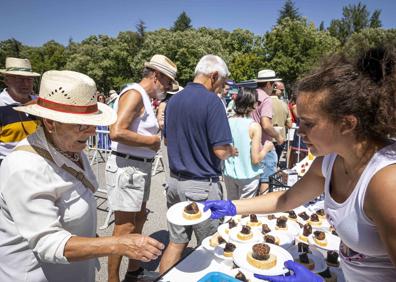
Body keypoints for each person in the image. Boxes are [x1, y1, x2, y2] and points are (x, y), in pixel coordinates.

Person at [204, 45, 396, 281]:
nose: (299, 131)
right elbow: (285, 199)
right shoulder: (328, 162)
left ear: (347, 124)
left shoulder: (387, 183)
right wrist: (232, 206)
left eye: (309, 124)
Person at [0, 70, 164, 282]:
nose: (93, 132)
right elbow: (48, 243)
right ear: (50, 123)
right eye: (82, 124)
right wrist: (119, 243)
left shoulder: (70, 148)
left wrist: (89, 238)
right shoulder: (24, 167)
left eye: (93, 122)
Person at [159, 54, 238, 274]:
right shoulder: (212, 102)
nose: (221, 89)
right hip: (201, 186)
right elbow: (221, 150)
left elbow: (167, 139)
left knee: (176, 243)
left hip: (174, 183)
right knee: (211, 247)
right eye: (221, 83)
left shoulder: (173, 100)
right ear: (213, 76)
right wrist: (232, 150)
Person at [105, 54, 176, 282]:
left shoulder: (142, 96)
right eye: (166, 82)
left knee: (138, 220)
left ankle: (133, 272)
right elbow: (116, 131)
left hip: (137, 167)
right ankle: (113, 278)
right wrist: (152, 142)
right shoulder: (135, 94)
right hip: (128, 167)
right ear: (156, 76)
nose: (167, 87)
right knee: (123, 229)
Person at [223, 87, 274, 200]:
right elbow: (255, 159)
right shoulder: (254, 126)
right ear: (254, 104)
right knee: (244, 213)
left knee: (232, 208)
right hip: (248, 175)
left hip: (229, 173)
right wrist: (266, 148)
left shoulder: (227, 121)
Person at [0, 57, 40, 166]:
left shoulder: (40, 104)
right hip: (8, 171)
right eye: (19, 78)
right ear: (6, 80)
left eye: (29, 79)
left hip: (41, 168)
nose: (26, 84)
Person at [251, 70, 285, 194]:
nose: (274, 87)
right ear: (268, 84)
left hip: (251, 145)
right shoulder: (266, 99)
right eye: (274, 84)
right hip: (264, 145)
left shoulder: (251, 95)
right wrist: (278, 136)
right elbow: (265, 124)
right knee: (266, 180)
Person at [156, 82, 183, 187]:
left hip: (177, 137)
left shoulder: (176, 104)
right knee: (168, 162)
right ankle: (170, 184)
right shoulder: (163, 104)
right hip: (167, 137)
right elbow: (161, 123)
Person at [270, 81, 292, 167]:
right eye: (282, 90)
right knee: (276, 161)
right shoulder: (284, 105)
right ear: (275, 89)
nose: (283, 92)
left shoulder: (263, 103)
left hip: (267, 137)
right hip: (281, 138)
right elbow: (289, 124)